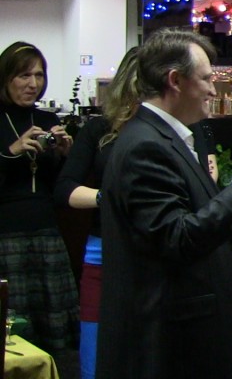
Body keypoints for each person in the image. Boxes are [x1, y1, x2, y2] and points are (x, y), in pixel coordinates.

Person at [96, 29, 232, 379]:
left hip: (187, 343)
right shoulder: (145, 146)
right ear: (175, 80)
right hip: (170, 348)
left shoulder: (167, 138)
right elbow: (177, 238)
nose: (214, 90)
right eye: (206, 79)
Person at [55, 47, 141, 379]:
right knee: (94, 361)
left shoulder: (185, 128)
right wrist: (109, 198)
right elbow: (65, 189)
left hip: (154, 255)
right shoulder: (99, 128)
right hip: (103, 252)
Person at [0, 42, 79, 357]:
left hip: (46, 231)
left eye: (39, 75)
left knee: (51, 332)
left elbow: (58, 187)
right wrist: (12, 151)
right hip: (6, 233)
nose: (33, 84)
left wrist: (66, 156)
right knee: (12, 330)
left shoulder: (47, 119)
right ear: (6, 77)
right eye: (24, 75)